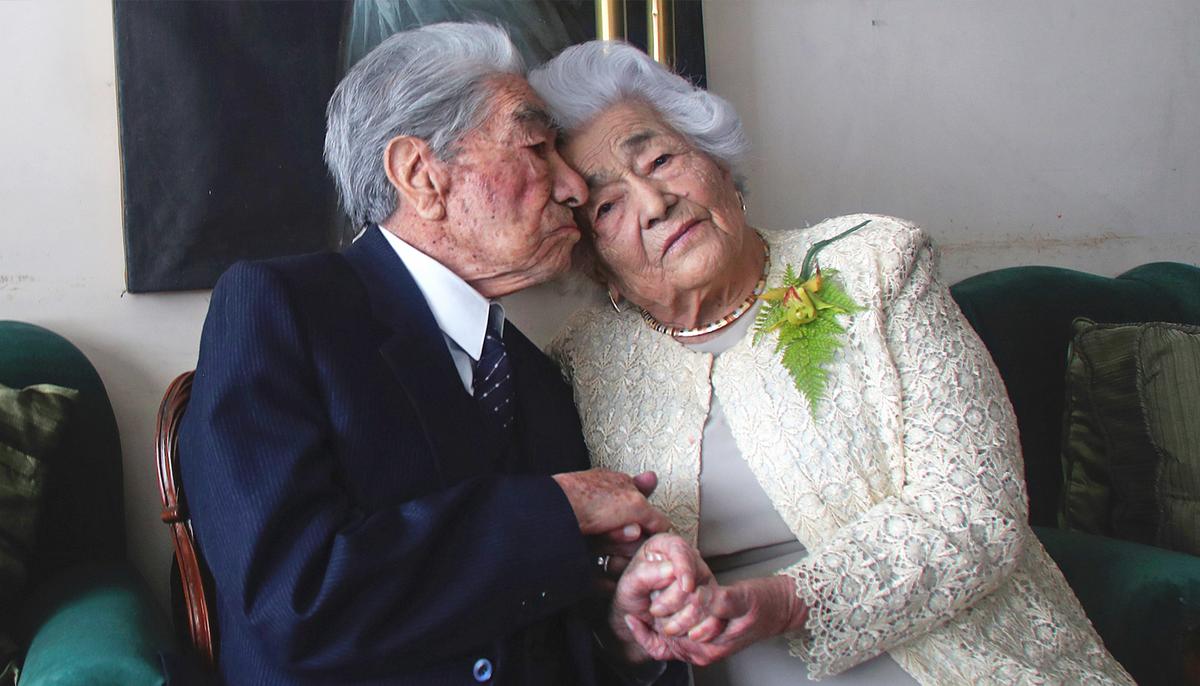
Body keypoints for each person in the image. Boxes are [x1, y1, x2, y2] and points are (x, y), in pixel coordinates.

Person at [529, 41, 1135, 685]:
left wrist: (783, 603)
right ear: (595, 263)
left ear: (719, 163)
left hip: (962, 659)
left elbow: (974, 516)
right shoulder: (579, 362)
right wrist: (628, 617)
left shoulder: (876, 265)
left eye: (660, 159)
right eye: (607, 206)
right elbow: (584, 591)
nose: (654, 202)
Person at [178, 24, 684, 685]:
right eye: (537, 147)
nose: (574, 189)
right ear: (421, 175)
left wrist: (624, 637)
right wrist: (559, 510)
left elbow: (540, 632)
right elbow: (292, 602)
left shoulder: (535, 377)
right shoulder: (280, 310)